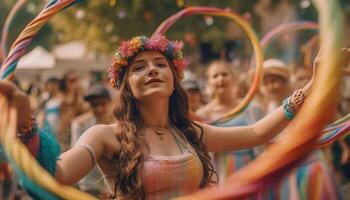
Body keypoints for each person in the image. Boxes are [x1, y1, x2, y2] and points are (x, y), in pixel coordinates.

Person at [0, 35, 314, 199]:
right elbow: (55, 176)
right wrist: (24, 119)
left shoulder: (190, 132)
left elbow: (257, 133)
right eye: (139, 67)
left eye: (160, 64)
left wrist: (311, 87)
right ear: (126, 87)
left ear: (174, 78)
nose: (151, 69)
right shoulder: (105, 135)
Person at [70, 83, 114, 197]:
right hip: (89, 183)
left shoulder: (118, 123)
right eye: (95, 105)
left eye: (102, 104)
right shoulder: (80, 124)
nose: (99, 109)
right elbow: (78, 153)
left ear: (109, 102)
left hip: (114, 183)